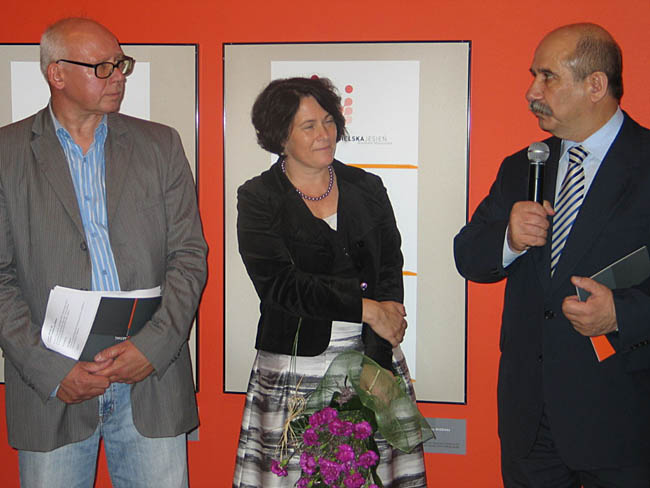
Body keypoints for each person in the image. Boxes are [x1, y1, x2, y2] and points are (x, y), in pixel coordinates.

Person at [0, 17, 207, 487]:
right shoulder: (7, 154)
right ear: (56, 73)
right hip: (55, 385)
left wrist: (152, 348)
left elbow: (189, 255)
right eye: (102, 67)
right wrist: (52, 371)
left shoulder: (160, 145)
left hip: (150, 380)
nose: (118, 76)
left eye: (120, 64)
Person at [454, 23, 650, 487]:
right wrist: (509, 239)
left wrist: (621, 314)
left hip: (625, 418)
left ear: (595, 85)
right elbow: (468, 255)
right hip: (531, 419)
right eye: (533, 76)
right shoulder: (522, 165)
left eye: (548, 77)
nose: (531, 92)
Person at [232, 77, 426, 487]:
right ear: (280, 138)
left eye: (328, 121)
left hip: (370, 355)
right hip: (296, 369)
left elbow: (389, 269)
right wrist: (365, 309)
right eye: (308, 126)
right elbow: (280, 286)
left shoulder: (367, 187)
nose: (324, 134)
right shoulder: (258, 197)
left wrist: (379, 354)